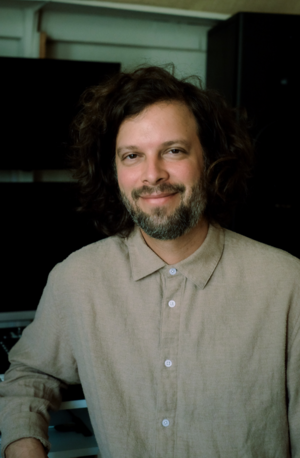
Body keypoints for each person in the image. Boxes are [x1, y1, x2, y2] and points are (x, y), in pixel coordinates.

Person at [0, 65, 299, 458]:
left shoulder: (286, 282)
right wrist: (24, 447)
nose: (152, 175)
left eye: (173, 151)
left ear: (210, 159)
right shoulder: (76, 279)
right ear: (114, 170)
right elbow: (29, 374)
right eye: (132, 156)